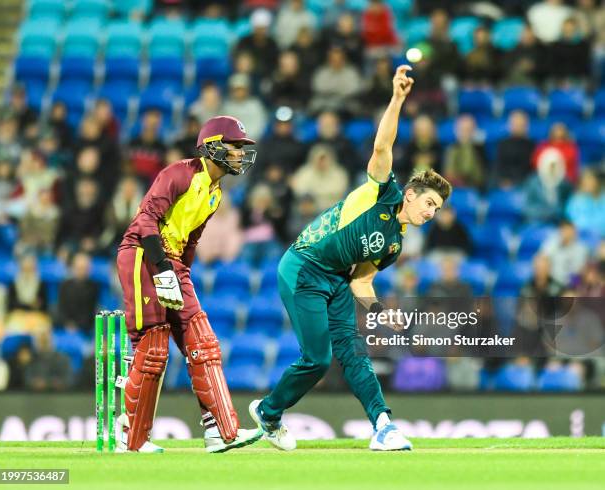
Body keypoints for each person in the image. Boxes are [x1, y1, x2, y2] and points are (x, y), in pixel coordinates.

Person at [249, 66, 452, 451]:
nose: (432, 212)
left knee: (354, 352)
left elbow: (361, 280)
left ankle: (383, 425)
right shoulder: (383, 193)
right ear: (410, 194)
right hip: (303, 267)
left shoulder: (395, 244)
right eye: (429, 202)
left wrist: (378, 310)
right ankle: (270, 412)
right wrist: (397, 99)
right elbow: (381, 148)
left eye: (437, 209)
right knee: (318, 359)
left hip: (338, 280)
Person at [116, 116, 262, 453]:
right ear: (212, 147)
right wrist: (163, 267)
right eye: (235, 146)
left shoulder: (215, 194)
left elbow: (191, 242)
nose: (241, 153)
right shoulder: (179, 173)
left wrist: (181, 274)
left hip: (173, 264)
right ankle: (132, 439)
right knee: (152, 348)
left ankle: (220, 432)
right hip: (142, 256)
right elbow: (145, 221)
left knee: (203, 341)